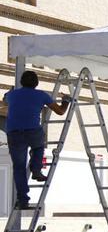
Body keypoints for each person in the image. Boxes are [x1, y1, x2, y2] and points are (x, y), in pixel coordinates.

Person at [3, 71, 70, 209]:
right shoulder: (41, 95)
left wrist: (8, 93)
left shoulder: (12, 95)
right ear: (36, 83)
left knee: (19, 168)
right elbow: (60, 112)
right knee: (38, 147)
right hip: (32, 131)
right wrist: (66, 101)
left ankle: (23, 200)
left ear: (21, 82)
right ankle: (36, 169)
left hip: (14, 133)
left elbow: (4, 99)